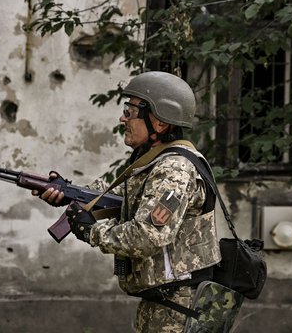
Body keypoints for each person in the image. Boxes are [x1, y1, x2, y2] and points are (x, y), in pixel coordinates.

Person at [34, 71, 221, 332]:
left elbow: (146, 235)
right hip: (164, 302)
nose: (123, 118)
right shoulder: (154, 162)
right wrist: (69, 193)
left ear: (158, 122)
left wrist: (91, 231)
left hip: (178, 308)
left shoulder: (174, 170)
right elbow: (120, 197)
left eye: (130, 111)